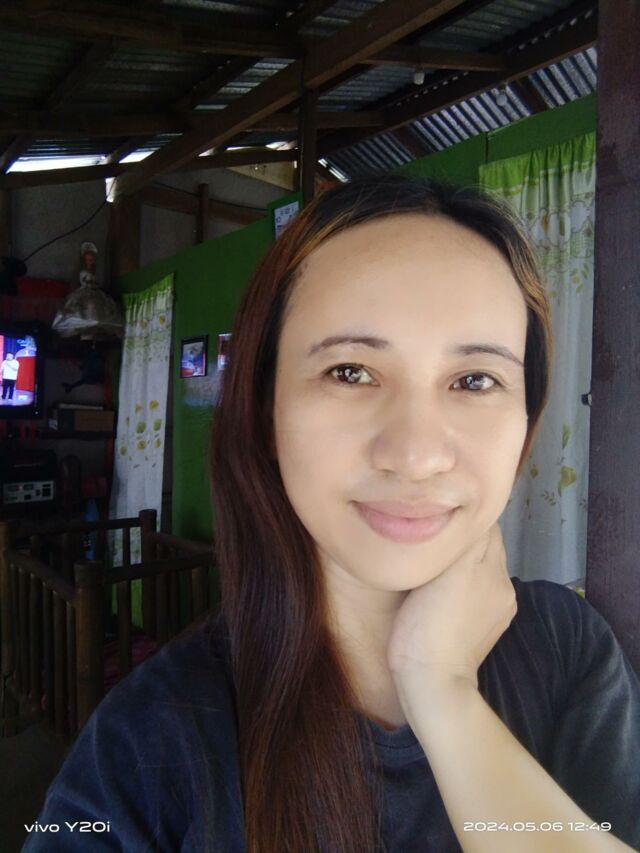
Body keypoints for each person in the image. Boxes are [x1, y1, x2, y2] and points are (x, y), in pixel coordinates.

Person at [23, 178, 640, 852]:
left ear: (526, 420)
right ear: (266, 411)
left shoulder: (569, 649)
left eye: (474, 380)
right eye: (350, 371)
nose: (416, 455)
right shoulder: (141, 751)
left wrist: (443, 693)